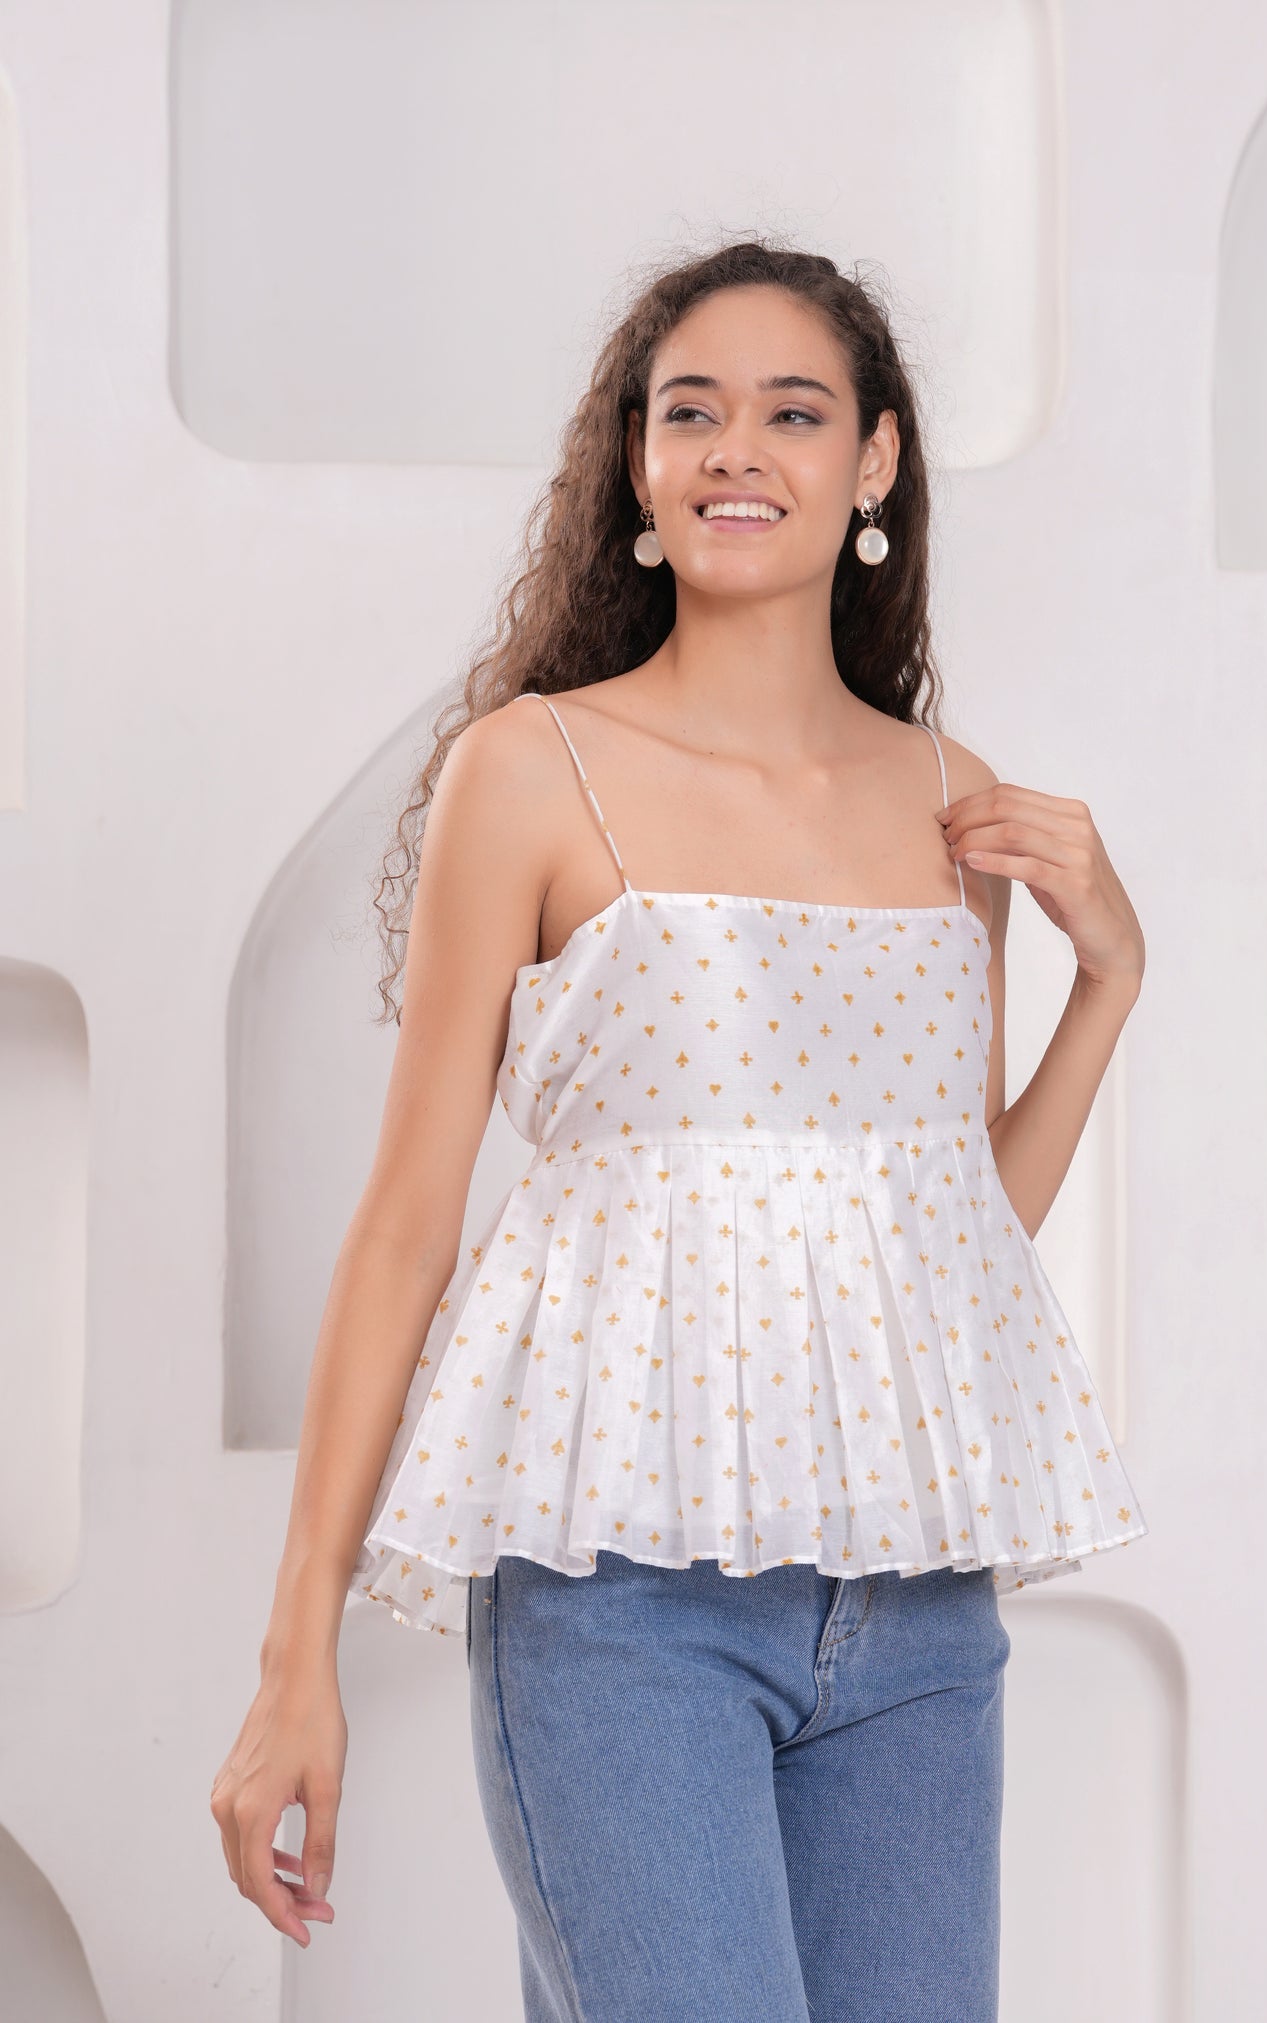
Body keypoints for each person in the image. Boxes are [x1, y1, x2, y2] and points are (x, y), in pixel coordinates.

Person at [211, 236, 1149, 2021]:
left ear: (872, 462)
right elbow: (406, 1226)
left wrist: (1105, 984)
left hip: (915, 1616)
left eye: (792, 413)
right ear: (636, 468)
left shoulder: (950, 803)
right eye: (690, 412)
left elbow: (943, 1236)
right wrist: (292, 1657)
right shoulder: (530, 769)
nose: (736, 450)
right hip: (624, 1611)